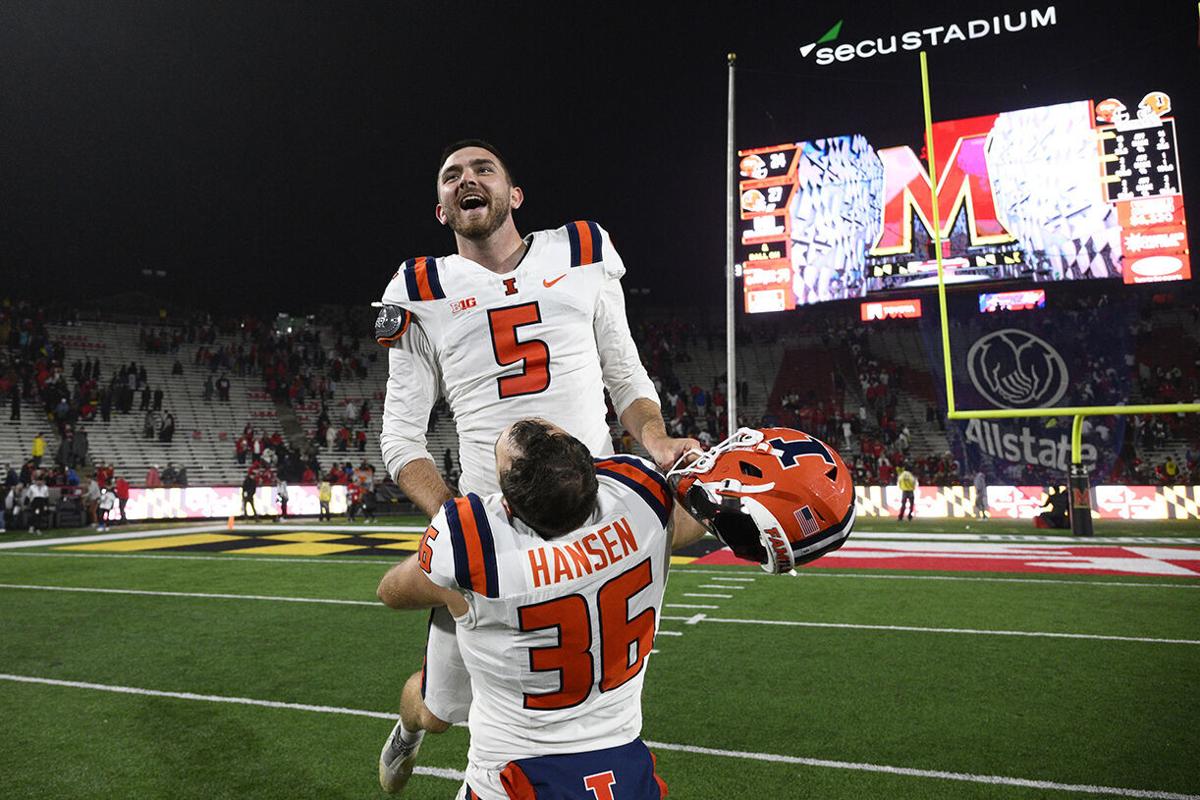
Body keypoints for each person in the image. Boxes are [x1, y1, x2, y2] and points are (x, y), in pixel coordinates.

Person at [375, 139, 698, 770]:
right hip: (491, 530)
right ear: (441, 210)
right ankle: (410, 724)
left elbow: (624, 375)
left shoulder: (581, 250)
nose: (467, 179)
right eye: (451, 176)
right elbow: (400, 438)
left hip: (595, 510)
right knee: (442, 713)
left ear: (514, 194)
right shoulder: (418, 287)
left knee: (591, 684)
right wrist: (455, 524)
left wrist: (656, 443)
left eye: (483, 169)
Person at [376, 419, 706, 797]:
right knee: (432, 712)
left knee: (434, 712)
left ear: (507, 506)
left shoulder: (477, 547)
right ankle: (408, 732)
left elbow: (391, 592)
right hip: (621, 757)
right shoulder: (643, 504)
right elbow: (690, 522)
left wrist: (456, 581)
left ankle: (408, 731)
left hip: (512, 773)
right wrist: (700, 472)